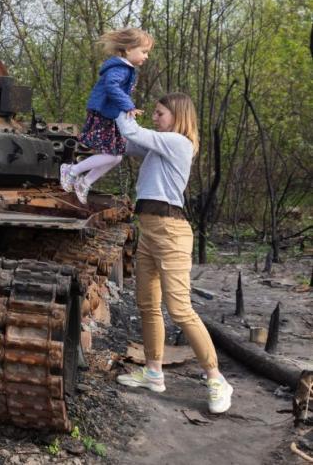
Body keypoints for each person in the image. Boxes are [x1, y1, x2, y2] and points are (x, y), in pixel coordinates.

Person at [113, 93, 233, 414]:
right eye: (153, 113)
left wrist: (120, 103)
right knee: (147, 305)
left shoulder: (179, 143)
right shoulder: (159, 146)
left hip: (171, 233)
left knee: (180, 310)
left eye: (160, 113)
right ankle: (153, 371)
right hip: (150, 231)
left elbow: (133, 132)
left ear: (177, 116)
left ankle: (216, 378)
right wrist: (107, 121)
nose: (154, 117)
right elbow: (126, 143)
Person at [61, 28, 153, 204]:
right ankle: (71, 171)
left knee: (116, 157)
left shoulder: (124, 68)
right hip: (103, 115)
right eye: (144, 51)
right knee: (111, 155)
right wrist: (127, 105)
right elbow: (112, 86)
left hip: (110, 116)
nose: (146, 56)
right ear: (128, 49)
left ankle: (84, 182)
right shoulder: (120, 68)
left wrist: (127, 107)